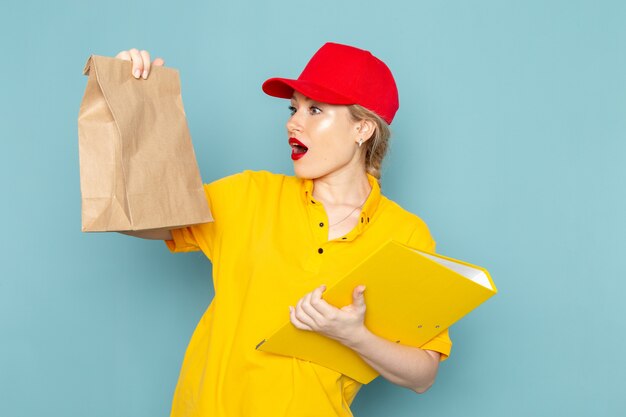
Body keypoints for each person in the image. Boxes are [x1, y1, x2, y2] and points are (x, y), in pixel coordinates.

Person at [116, 43, 452, 417]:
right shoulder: (248, 195)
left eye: (315, 110)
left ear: (363, 128)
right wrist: (128, 99)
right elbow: (140, 218)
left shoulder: (405, 234)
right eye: (293, 108)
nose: (293, 122)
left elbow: (423, 374)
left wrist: (354, 336)